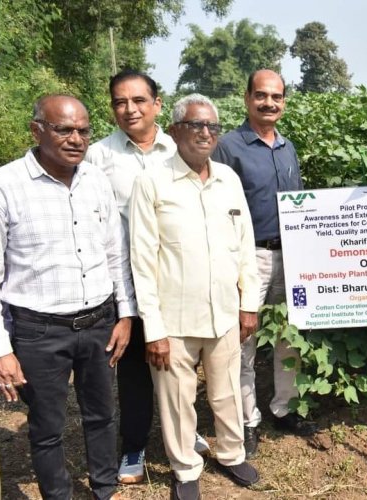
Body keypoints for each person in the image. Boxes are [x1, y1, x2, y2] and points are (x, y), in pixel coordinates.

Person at [0, 94, 135, 499]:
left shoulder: (96, 181)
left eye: (83, 130)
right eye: (64, 129)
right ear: (37, 130)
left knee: (102, 414)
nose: (76, 139)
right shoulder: (4, 186)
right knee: (47, 425)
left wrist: (124, 315)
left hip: (98, 323)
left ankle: (104, 487)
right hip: (38, 330)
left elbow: (115, 254)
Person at [130, 94, 260, 500]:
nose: (205, 133)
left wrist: (248, 304)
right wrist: (153, 328)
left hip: (224, 311)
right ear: (174, 131)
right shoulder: (152, 182)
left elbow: (244, 247)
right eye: (195, 125)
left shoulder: (228, 180)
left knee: (226, 391)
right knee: (177, 398)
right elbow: (142, 259)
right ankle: (186, 468)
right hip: (174, 319)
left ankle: (232, 452)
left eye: (212, 127)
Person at [86, 68, 210, 484]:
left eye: (139, 100)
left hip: (177, 275)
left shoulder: (179, 148)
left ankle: (186, 434)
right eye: (120, 102)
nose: (130, 109)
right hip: (126, 277)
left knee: (183, 361)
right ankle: (134, 446)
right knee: (138, 366)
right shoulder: (99, 156)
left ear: (157, 104)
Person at [212, 69, 317, 455]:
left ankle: (284, 408)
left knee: (291, 337)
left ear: (284, 102)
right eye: (261, 96)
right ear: (247, 98)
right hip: (249, 255)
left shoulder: (287, 147)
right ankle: (247, 419)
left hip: (291, 254)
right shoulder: (228, 147)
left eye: (276, 97)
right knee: (245, 339)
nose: (268, 103)